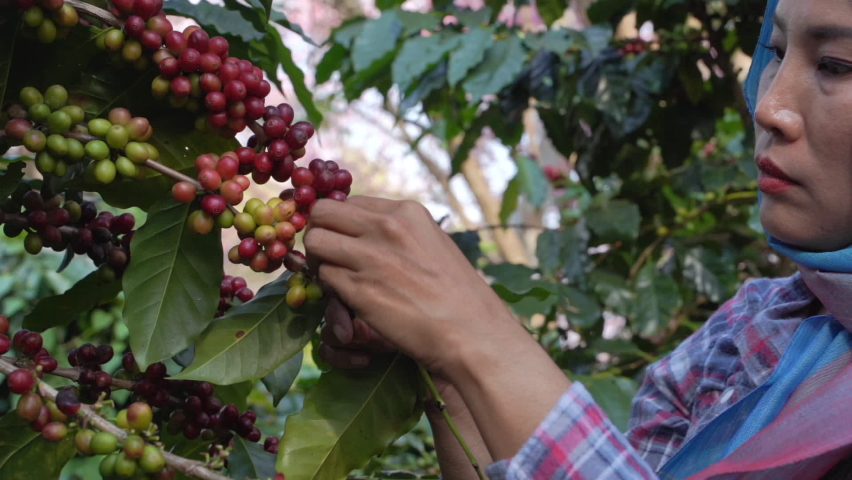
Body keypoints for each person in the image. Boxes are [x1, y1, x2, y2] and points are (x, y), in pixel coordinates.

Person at [303, 0, 852, 477]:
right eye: (775, 50)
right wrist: (451, 380)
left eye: (836, 64)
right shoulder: (742, 337)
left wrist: (480, 338)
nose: (767, 105)